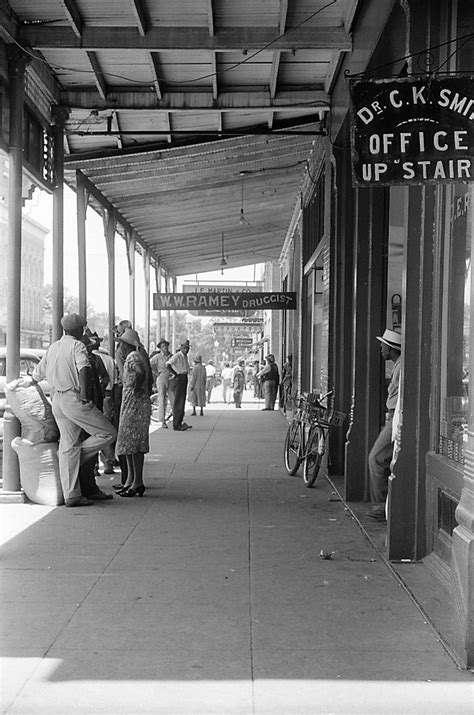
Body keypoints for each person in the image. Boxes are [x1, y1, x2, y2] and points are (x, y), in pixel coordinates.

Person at [32, 313, 117, 507]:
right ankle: (73, 458)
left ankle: (72, 495)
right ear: (78, 330)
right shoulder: (77, 346)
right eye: (83, 329)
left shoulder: (53, 348)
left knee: (68, 445)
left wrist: (31, 382)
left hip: (57, 401)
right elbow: (84, 369)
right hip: (73, 398)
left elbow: (37, 373)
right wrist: (85, 396)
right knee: (108, 433)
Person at [366, 329, 402, 522]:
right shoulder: (398, 366)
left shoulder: (402, 367)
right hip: (394, 417)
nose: (381, 349)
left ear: (390, 348)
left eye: (383, 346)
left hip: (397, 417)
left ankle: (381, 506)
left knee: (376, 457)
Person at [115, 328, 153, 497]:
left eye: (121, 344)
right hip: (133, 403)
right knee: (129, 444)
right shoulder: (137, 356)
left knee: (135, 444)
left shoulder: (133, 357)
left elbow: (139, 372)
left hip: (135, 405)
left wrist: (136, 386)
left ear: (126, 345)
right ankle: (131, 480)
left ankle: (137, 481)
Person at [166, 338, 192, 431]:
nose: (186, 350)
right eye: (185, 348)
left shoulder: (185, 357)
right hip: (179, 377)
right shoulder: (177, 356)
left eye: (187, 348)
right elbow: (168, 365)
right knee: (178, 401)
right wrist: (176, 373)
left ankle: (180, 422)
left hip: (184, 377)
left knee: (182, 400)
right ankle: (176, 424)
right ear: (181, 348)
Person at [150, 338, 173, 429]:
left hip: (171, 377)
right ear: (160, 348)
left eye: (166, 346)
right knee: (162, 398)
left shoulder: (172, 356)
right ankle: (163, 420)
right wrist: (156, 372)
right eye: (163, 346)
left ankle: (176, 418)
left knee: (173, 398)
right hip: (162, 376)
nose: (165, 348)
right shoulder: (157, 357)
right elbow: (150, 364)